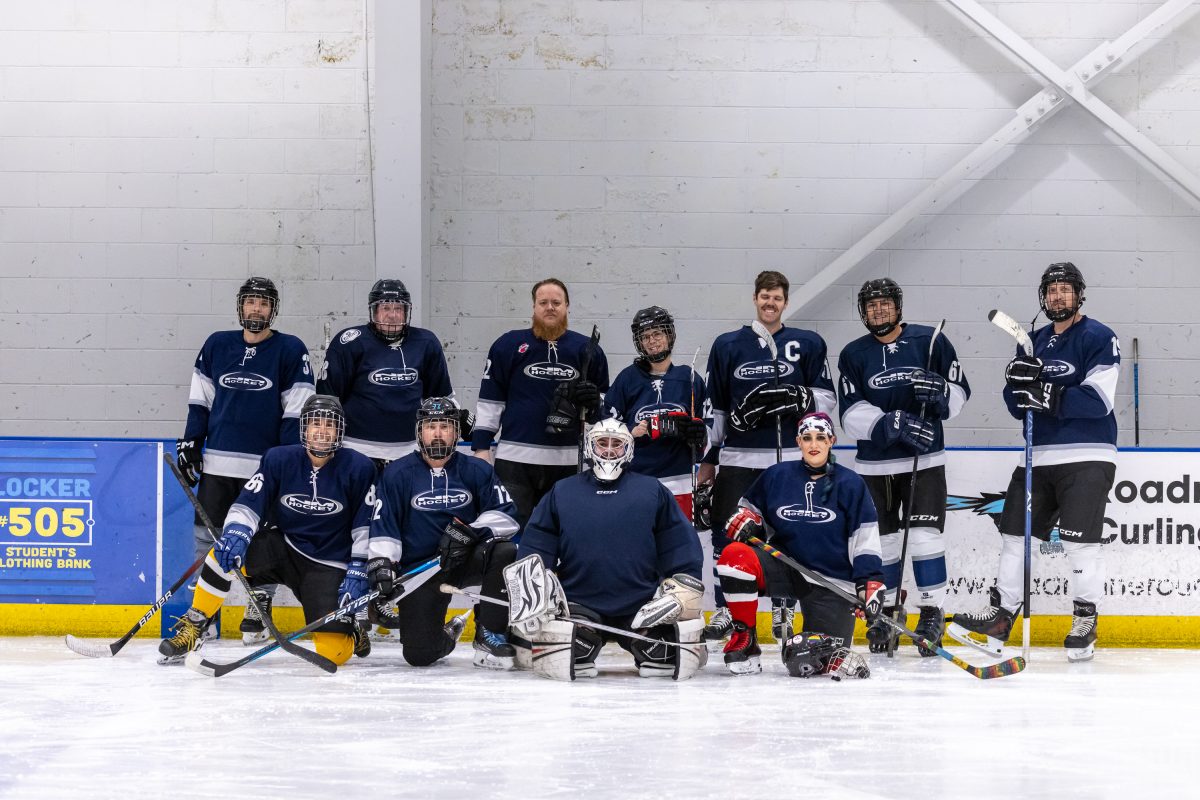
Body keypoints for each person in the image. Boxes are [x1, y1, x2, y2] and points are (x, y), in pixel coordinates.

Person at [949, 262, 1118, 663]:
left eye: (1065, 289)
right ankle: (1000, 620)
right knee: (1015, 536)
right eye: (1052, 289)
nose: (1058, 296)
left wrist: (1047, 394)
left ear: (1079, 294)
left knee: (1079, 544)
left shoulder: (1098, 336)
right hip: (1036, 456)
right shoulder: (1033, 342)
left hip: (1087, 455)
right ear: (1044, 296)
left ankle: (1085, 621)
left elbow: (1099, 400)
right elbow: (1016, 406)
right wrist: (1017, 384)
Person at [159, 395, 376, 666]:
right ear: (304, 427)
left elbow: (365, 524)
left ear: (340, 430)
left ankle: (351, 630)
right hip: (284, 547)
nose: (322, 431)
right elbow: (249, 502)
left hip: (328, 564)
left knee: (333, 654)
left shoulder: (360, 468)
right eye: (315, 423)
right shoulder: (279, 458)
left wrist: (358, 566)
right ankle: (195, 626)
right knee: (221, 553)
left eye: (329, 425)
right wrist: (237, 533)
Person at [697, 270, 836, 645]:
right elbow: (717, 408)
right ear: (755, 299)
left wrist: (801, 397)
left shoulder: (807, 343)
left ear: (785, 302)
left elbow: (827, 399)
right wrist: (708, 459)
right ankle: (728, 607)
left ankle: (783, 602)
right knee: (728, 534)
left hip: (788, 458)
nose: (770, 303)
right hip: (739, 459)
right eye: (764, 296)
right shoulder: (727, 345)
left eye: (776, 298)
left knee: (787, 534)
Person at [174, 276, 315, 644]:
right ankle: (204, 616)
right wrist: (192, 442)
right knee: (207, 538)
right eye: (251, 301)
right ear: (240, 306)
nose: (257, 308)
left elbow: (296, 411)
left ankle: (259, 604)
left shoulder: (290, 349)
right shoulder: (217, 344)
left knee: (263, 539)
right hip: (217, 466)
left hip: (262, 470)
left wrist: (283, 463)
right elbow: (200, 400)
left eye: (264, 303)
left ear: (273, 310)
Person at [512, 418, 706, 681]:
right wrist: (535, 588)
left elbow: (679, 543)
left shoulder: (652, 490)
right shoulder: (562, 491)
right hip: (578, 605)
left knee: (662, 656)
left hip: (642, 607)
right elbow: (536, 544)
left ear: (629, 449)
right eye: (602, 443)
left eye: (617, 444)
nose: (609, 450)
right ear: (590, 447)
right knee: (573, 655)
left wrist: (684, 588)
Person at [836, 278, 971, 654]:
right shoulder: (853, 354)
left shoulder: (931, 341)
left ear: (898, 306)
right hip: (873, 466)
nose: (878, 310)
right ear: (863, 312)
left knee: (925, 537)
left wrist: (941, 393)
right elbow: (849, 413)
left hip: (924, 461)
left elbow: (960, 392)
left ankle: (931, 613)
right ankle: (888, 612)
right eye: (871, 305)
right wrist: (889, 423)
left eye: (884, 303)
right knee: (883, 543)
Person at [713, 412, 885, 675]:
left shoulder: (851, 483)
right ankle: (745, 639)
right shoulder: (777, 475)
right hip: (785, 565)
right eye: (807, 438)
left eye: (821, 438)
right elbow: (748, 511)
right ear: (798, 442)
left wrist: (868, 581)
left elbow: (865, 537)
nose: (814, 444)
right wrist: (747, 520)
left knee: (825, 662)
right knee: (735, 556)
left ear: (831, 441)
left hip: (830, 580)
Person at [366, 397, 521, 669]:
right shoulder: (397, 474)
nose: (438, 433)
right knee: (419, 655)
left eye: (445, 427)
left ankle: (489, 630)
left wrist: (469, 532)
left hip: (465, 561)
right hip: (421, 571)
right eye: (431, 427)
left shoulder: (477, 469)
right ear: (419, 432)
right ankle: (450, 632)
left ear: (456, 432)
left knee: (504, 551)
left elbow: (507, 515)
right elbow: (384, 525)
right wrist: (383, 564)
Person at [472, 278, 609, 526]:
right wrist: (481, 447)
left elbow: (603, 407)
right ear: (534, 307)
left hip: (568, 461)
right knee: (508, 530)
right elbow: (491, 399)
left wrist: (595, 404)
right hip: (515, 461)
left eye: (556, 302)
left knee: (564, 531)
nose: (550, 307)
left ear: (567, 306)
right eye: (543, 302)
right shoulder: (508, 345)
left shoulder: (587, 349)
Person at [317, 278, 456, 470]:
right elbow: (327, 398)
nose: (393, 315)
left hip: (410, 451)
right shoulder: (350, 342)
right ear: (374, 311)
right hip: (356, 451)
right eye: (386, 308)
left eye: (398, 308)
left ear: (407, 312)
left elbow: (440, 400)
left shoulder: (426, 342)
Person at [605, 306, 709, 518]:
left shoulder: (689, 378)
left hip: (680, 481)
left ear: (669, 335)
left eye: (657, 333)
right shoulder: (627, 379)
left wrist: (700, 435)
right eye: (645, 337)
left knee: (677, 537)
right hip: (637, 479)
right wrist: (631, 431)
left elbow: (709, 427)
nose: (652, 341)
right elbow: (606, 426)